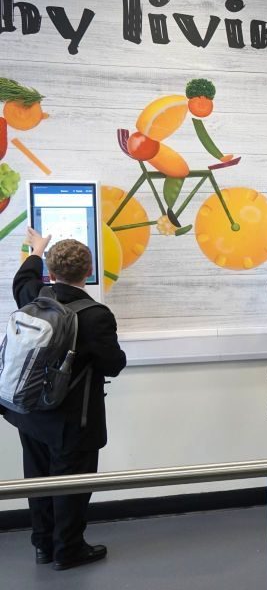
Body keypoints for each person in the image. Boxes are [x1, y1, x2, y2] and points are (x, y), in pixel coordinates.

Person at [3, 228, 126, 570]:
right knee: (72, 486)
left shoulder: (33, 297)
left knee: (39, 481)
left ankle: (43, 545)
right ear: (88, 271)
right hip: (73, 419)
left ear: (52, 274)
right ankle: (69, 550)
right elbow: (113, 364)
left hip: (29, 413)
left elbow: (22, 278)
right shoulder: (95, 315)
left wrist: (36, 249)